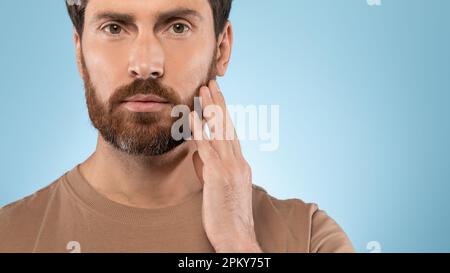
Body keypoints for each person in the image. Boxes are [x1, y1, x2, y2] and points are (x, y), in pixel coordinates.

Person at [0, 0, 354, 253]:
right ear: (79, 53)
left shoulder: (309, 237)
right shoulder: (7, 237)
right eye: (114, 27)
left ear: (221, 49)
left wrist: (238, 246)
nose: (145, 64)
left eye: (177, 27)